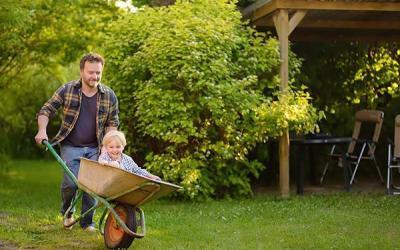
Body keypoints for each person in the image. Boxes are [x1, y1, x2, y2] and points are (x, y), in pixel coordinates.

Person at [34, 53, 119, 232]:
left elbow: (113, 123)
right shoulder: (68, 90)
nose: (94, 77)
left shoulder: (109, 95)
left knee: (92, 186)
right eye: (91, 72)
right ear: (81, 71)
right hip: (71, 145)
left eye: (98, 73)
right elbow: (46, 110)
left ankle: (87, 222)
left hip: (96, 147)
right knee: (70, 184)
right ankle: (68, 212)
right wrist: (42, 130)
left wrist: (109, 145)